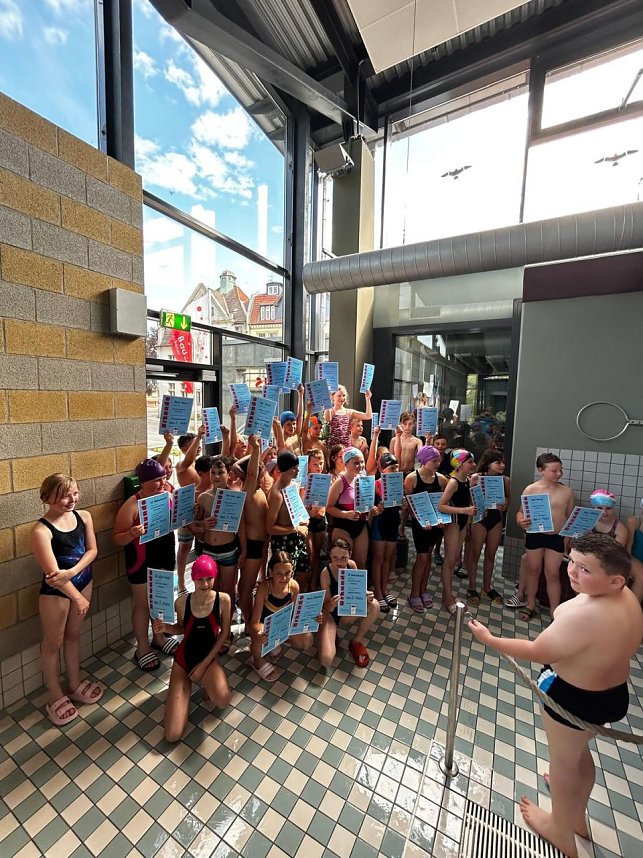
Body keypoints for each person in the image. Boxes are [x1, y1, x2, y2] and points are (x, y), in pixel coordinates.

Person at [469, 534, 643, 858]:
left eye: (585, 569)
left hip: (575, 697)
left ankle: (560, 828)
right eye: (572, 562)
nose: (573, 573)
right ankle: (575, 814)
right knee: (577, 755)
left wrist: (489, 638)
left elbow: (537, 651)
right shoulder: (627, 599)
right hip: (610, 694)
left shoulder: (587, 615)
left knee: (563, 762)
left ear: (615, 579)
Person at [31, 474, 101, 725]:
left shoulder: (84, 517)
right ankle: (56, 695)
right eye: (64, 495)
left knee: (73, 635)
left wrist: (72, 572)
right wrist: (77, 598)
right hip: (56, 594)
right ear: (46, 497)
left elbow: (92, 550)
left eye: (74, 493)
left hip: (83, 580)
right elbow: (53, 576)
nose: (71, 500)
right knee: (53, 642)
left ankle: (74, 683)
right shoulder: (41, 530)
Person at [152, 555, 232, 742]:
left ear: (215, 577)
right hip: (184, 657)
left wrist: (204, 665)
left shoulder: (223, 600)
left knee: (222, 700)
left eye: (209, 578)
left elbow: (224, 634)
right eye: (200, 579)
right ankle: (185, 686)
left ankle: (207, 677)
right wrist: (165, 628)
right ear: (193, 579)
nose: (205, 584)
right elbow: (182, 628)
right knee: (172, 735)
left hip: (208, 657)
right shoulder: (181, 603)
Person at [113, 459, 178, 671]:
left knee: (160, 600)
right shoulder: (131, 505)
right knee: (142, 605)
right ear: (144, 482)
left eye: (164, 478)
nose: (162, 482)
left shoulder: (168, 496)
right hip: (140, 561)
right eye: (157, 480)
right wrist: (131, 533)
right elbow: (117, 538)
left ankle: (159, 638)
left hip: (164, 556)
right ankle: (142, 647)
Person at [517, 453, 575, 621]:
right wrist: (521, 521)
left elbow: (570, 517)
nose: (558, 474)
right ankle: (530, 605)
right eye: (554, 470)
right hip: (535, 535)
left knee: (553, 574)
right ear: (541, 470)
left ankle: (554, 611)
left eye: (560, 470)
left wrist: (569, 539)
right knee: (533, 570)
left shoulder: (567, 492)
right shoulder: (531, 489)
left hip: (555, 537)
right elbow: (520, 512)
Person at [249, 552, 319, 682]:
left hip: (283, 626)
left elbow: (297, 615)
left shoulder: (294, 586)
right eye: (278, 573)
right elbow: (254, 623)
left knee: (307, 640)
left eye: (287, 573)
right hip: (265, 629)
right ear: (270, 572)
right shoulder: (264, 589)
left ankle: (275, 644)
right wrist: (260, 633)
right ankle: (257, 661)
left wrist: (312, 618)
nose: (284, 578)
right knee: (257, 640)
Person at [192, 456, 247, 611]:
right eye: (213, 472)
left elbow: (241, 527)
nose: (216, 476)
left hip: (228, 550)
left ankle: (227, 626)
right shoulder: (203, 497)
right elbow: (197, 525)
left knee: (228, 590)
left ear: (228, 474)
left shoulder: (235, 497)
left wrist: (244, 551)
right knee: (212, 591)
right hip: (208, 549)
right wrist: (203, 523)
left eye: (220, 472)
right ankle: (215, 622)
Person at [318, 539, 380, 669]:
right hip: (332, 614)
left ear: (350, 555)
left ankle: (356, 642)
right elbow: (326, 608)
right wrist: (332, 603)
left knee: (374, 605)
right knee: (326, 660)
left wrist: (366, 595)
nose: (340, 562)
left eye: (343, 558)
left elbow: (358, 591)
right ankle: (328, 633)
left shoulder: (351, 565)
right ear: (329, 555)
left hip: (348, 610)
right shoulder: (325, 573)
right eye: (335, 558)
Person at [404, 445, 449, 612]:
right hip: (420, 525)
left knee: (428, 557)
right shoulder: (411, 479)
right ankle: (414, 593)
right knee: (422, 558)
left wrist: (442, 520)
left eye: (438, 460)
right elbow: (410, 506)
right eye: (434, 460)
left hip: (436, 525)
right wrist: (422, 521)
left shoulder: (442, 480)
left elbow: (442, 504)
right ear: (423, 461)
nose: (438, 463)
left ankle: (423, 590)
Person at [466, 450, 511, 605]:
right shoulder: (476, 478)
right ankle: (472, 585)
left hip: (496, 519)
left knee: (491, 554)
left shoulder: (505, 480)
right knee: (475, 553)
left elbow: (508, 498)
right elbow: (468, 498)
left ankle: (486, 586)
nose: (502, 465)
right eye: (498, 462)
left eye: (502, 462)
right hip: (480, 518)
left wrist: (505, 505)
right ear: (488, 463)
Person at [437, 450, 477, 613]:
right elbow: (441, 506)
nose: (473, 465)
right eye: (470, 462)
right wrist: (464, 511)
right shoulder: (453, 482)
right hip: (453, 523)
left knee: (453, 560)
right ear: (460, 465)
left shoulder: (466, 480)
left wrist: (467, 520)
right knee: (450, 561)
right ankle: (447, 596)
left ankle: (448, 593)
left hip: (461, 522)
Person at [235, 435, 268, 629]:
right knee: (245, 587)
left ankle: (249, 619)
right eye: (259, 470)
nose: (262, 472)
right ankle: (248, 621)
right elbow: (247, 472)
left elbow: (241, 469)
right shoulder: (249, 491)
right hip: (253, 546)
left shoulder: (255, 490)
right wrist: (254, 449)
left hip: (257, 545)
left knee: (245, 587)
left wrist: (255, 451)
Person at [267, 450, 312, 591]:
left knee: (304, 574)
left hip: (298, 537)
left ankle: (297, 606)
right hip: (283, 542)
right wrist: (295, 529)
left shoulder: (294, 485)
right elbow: (269, 527)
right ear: (282, 470)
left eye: (297, 466)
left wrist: (305, 516)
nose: (297, 470)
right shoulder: (276, 493)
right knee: (285, 581)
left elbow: (296, 512)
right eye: (293, 468)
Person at [326, 447, 374, 570]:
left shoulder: (364, 480)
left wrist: (373, 510)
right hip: (343, 526)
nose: (360, 465)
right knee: (345, 565)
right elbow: (329, 507)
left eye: (362, 462)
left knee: (360, 564)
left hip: (360, 525)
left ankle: (358, 589)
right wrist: (346, 514)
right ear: (346, 464)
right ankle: (341, 589)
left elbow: (368, 505)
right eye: (356, 462)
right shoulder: (340, 482)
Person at [174, 426, 207, 592]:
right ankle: (180, 583)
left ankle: (202, 579)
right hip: (186, 510)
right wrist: (199, 437)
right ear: (185, 448)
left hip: (201, 510)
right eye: (194, 443)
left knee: (203, 545)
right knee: (184, 547)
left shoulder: (200, 465)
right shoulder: (182, 465)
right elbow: (187, 461)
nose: (199, 445)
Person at [371, 452, 401, 613]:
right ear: (382, 469)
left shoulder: (398, 483)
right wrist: (376, 508)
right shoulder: (375, 484)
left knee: (388, 558)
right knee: (379, 558)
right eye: (391, 467)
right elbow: (371, 508)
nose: (395, 470)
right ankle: (378, 591)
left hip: (393, 522)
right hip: (379, 524)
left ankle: (384, 588)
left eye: (396, 467)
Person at [304, 448, 327, 590]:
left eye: (321, 463)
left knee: (317, 555)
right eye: (315, 464)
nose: (318, 467)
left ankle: (313, 584)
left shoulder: (326, 480)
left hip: (319, 521)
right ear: (308, 465)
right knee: (309, 555)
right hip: (307, 522)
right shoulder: (303, 481)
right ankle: (305, 583)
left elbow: (327, 502)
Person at [624, 497, 643, 603]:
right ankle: (632, 609)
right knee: (641, 577)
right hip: (633, 557)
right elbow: (628, 546)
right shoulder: (634, 521)